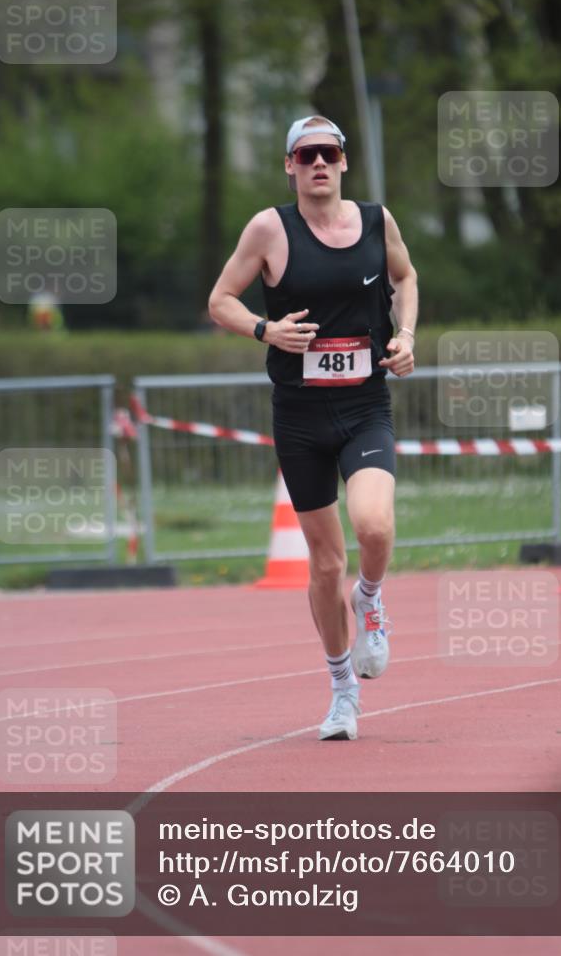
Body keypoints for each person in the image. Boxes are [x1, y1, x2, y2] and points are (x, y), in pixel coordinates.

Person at [208, 115, 418, 740]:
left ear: (345, 162)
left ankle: (372, 599)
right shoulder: (270, 228)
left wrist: (405, 335)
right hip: (298, 414)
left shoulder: (378, 222)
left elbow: (405, 277)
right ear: (290, 166)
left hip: (364, 406)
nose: (319, 163)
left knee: (374, 525)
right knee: (324, 565)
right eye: (306, 155)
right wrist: (264, 330)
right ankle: (341, 691)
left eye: (329, 153)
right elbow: (220, 299)